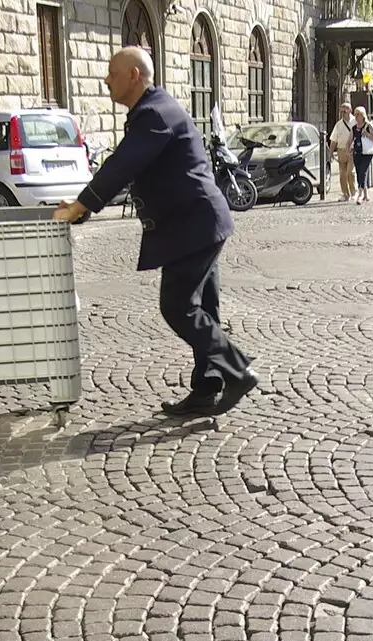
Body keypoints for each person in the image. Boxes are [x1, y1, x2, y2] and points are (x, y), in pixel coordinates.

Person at [53, 47, 256, 417]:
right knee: (202, 309)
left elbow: (123, 165)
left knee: (177, 307)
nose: (105, 80)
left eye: (111, 74)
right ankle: (208, 387)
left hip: (194, 225)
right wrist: (84, 206)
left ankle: (238, 371)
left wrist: (82, 205)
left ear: (134, 75)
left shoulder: (153, 113)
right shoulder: (153, 110)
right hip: (198, 222)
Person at [351, 106, 373, 204]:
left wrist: (367, 134)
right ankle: (366, 193)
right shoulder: (354, 127)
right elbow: (350, 139)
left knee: (363, 171)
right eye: (355, 114)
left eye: (358, 114)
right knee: (359, 172)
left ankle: (360, 194)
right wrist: (347, 150)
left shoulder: (368, 125)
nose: (356, 116)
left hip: (367, 153)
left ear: (363, 115)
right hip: (357, 152)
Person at [329, 103, 356, 202]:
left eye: (344, 111)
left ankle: (353, 192)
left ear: (350, 110)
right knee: (342, 174)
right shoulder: (339, 124)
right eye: (341, 111)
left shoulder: (355, 122)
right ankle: (345, 194)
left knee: (350, 172)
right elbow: (333, 140)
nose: (343, 113)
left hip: (352, 150)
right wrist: (331, 152)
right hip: (341, 150)